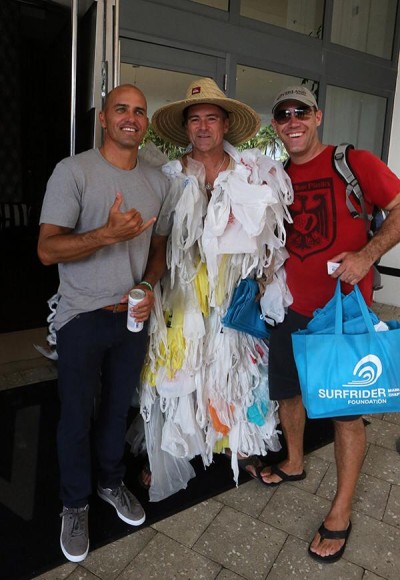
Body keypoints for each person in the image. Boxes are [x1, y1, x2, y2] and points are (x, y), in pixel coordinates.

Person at [258, 85, 400, 563]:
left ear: (317, 116)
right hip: (290, 307)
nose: (292, 120)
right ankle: (295, 462)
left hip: (343, 314)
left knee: (346, 412)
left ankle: (340, 512)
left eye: (300, 111)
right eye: (283, 114)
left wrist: (366, 254)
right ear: (275, 124)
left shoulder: (352, 162)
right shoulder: (274, 175)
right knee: (288, 391)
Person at [137, 77, 294, 502]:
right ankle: (173, 449)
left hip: (232, 293)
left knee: (234, 368)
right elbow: (159, 239)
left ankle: (237, 444)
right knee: (180, 366)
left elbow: (271, 241)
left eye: (211, 118)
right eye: (195, 120)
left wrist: (264, 283)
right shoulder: (169, 176)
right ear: (186, 129)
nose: (203, 127)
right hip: (182, 293)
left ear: (225, 125)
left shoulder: (250, 172)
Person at [37, 84, 169, 562]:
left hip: (131, 317)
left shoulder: (158, 182)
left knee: (117, 409)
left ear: (146, 122)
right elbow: (48, 248)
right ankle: (74, 504)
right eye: (121, 110)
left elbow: (159, 247)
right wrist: (105, 235)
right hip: (80, 316)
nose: (131, 118)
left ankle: (111, 483)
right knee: (75, 416)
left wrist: (149, 287)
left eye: (139, 111)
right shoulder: (73, 172)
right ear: (104, 118)